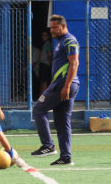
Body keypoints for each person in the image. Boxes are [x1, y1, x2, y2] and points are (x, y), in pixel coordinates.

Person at [31, 15, 79, 165]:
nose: (51, 31)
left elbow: (74, 63)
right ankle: (66, 156)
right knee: (62, 121)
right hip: (63, 84)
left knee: (38, 109)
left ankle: (48, 145)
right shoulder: (60, 42)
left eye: (54, 28)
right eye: (50, 27)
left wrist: (66, 85)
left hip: (63, 84)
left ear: (63, 26)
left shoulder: (69, 40)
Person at [32, 30, 53, 98]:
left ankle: (42, 96)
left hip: (46, 64)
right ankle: (42, 96)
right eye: (42, 35)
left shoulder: (47, 44)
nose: (43, 37)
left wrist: (51, 63)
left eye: (45, 35)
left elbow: (49, 54)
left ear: (49, 36)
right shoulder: (46, 44)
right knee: (44, 81)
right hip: (44, 64)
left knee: (44, 82)